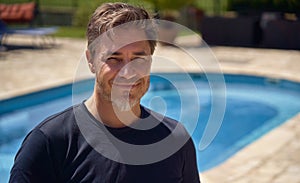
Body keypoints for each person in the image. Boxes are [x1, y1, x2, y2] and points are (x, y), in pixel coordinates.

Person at [9, 2, 200, 183]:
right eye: (114, 58)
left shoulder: (175, 140)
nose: (127, 72)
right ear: (90, 60)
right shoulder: (49, 144)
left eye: (138, 58)